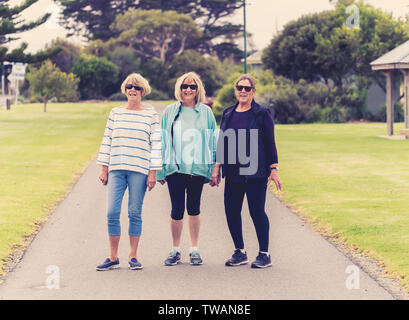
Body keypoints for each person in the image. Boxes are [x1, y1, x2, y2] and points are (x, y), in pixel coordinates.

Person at [211, 74, 282, 268]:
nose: (243, 91)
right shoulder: (228, 113)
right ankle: (240, 251)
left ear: (253, 92)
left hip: (255, 172)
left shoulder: (261, 113)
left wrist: (273, 169)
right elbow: (222, 142)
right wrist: (216, 167)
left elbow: (270, 143)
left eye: (247, 88)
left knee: (256, 211)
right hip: (233, 172)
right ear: (235, 90)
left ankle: (264, 254)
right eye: (239, 88)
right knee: (231, 211)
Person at [96, 73, 162, 271]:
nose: (133, 90)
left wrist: (153, 172)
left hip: (139, 170)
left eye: (137, 87)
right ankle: (113, 256)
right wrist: (104, 167)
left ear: (143, 91)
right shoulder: (115, 113)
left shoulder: (151, 115)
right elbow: (107, 139)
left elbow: (156, 144)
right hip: (116, 168)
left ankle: (133, 256)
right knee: (112, 212)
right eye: (130, 87)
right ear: (125, 90)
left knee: (134, 212)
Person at [157, 72, 217, 266]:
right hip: (174, 168)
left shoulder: (205, 112)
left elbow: (213, 141)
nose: (188, 90)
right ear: (179, 88)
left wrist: (215, 169)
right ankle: (175, 250)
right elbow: (162, 140)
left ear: (198, 89)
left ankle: (194, 250)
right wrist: (159, 169)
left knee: (194, 208)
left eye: (192, 86)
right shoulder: (170, 111)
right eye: (185, 86)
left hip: (197, 168)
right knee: (176, 209)